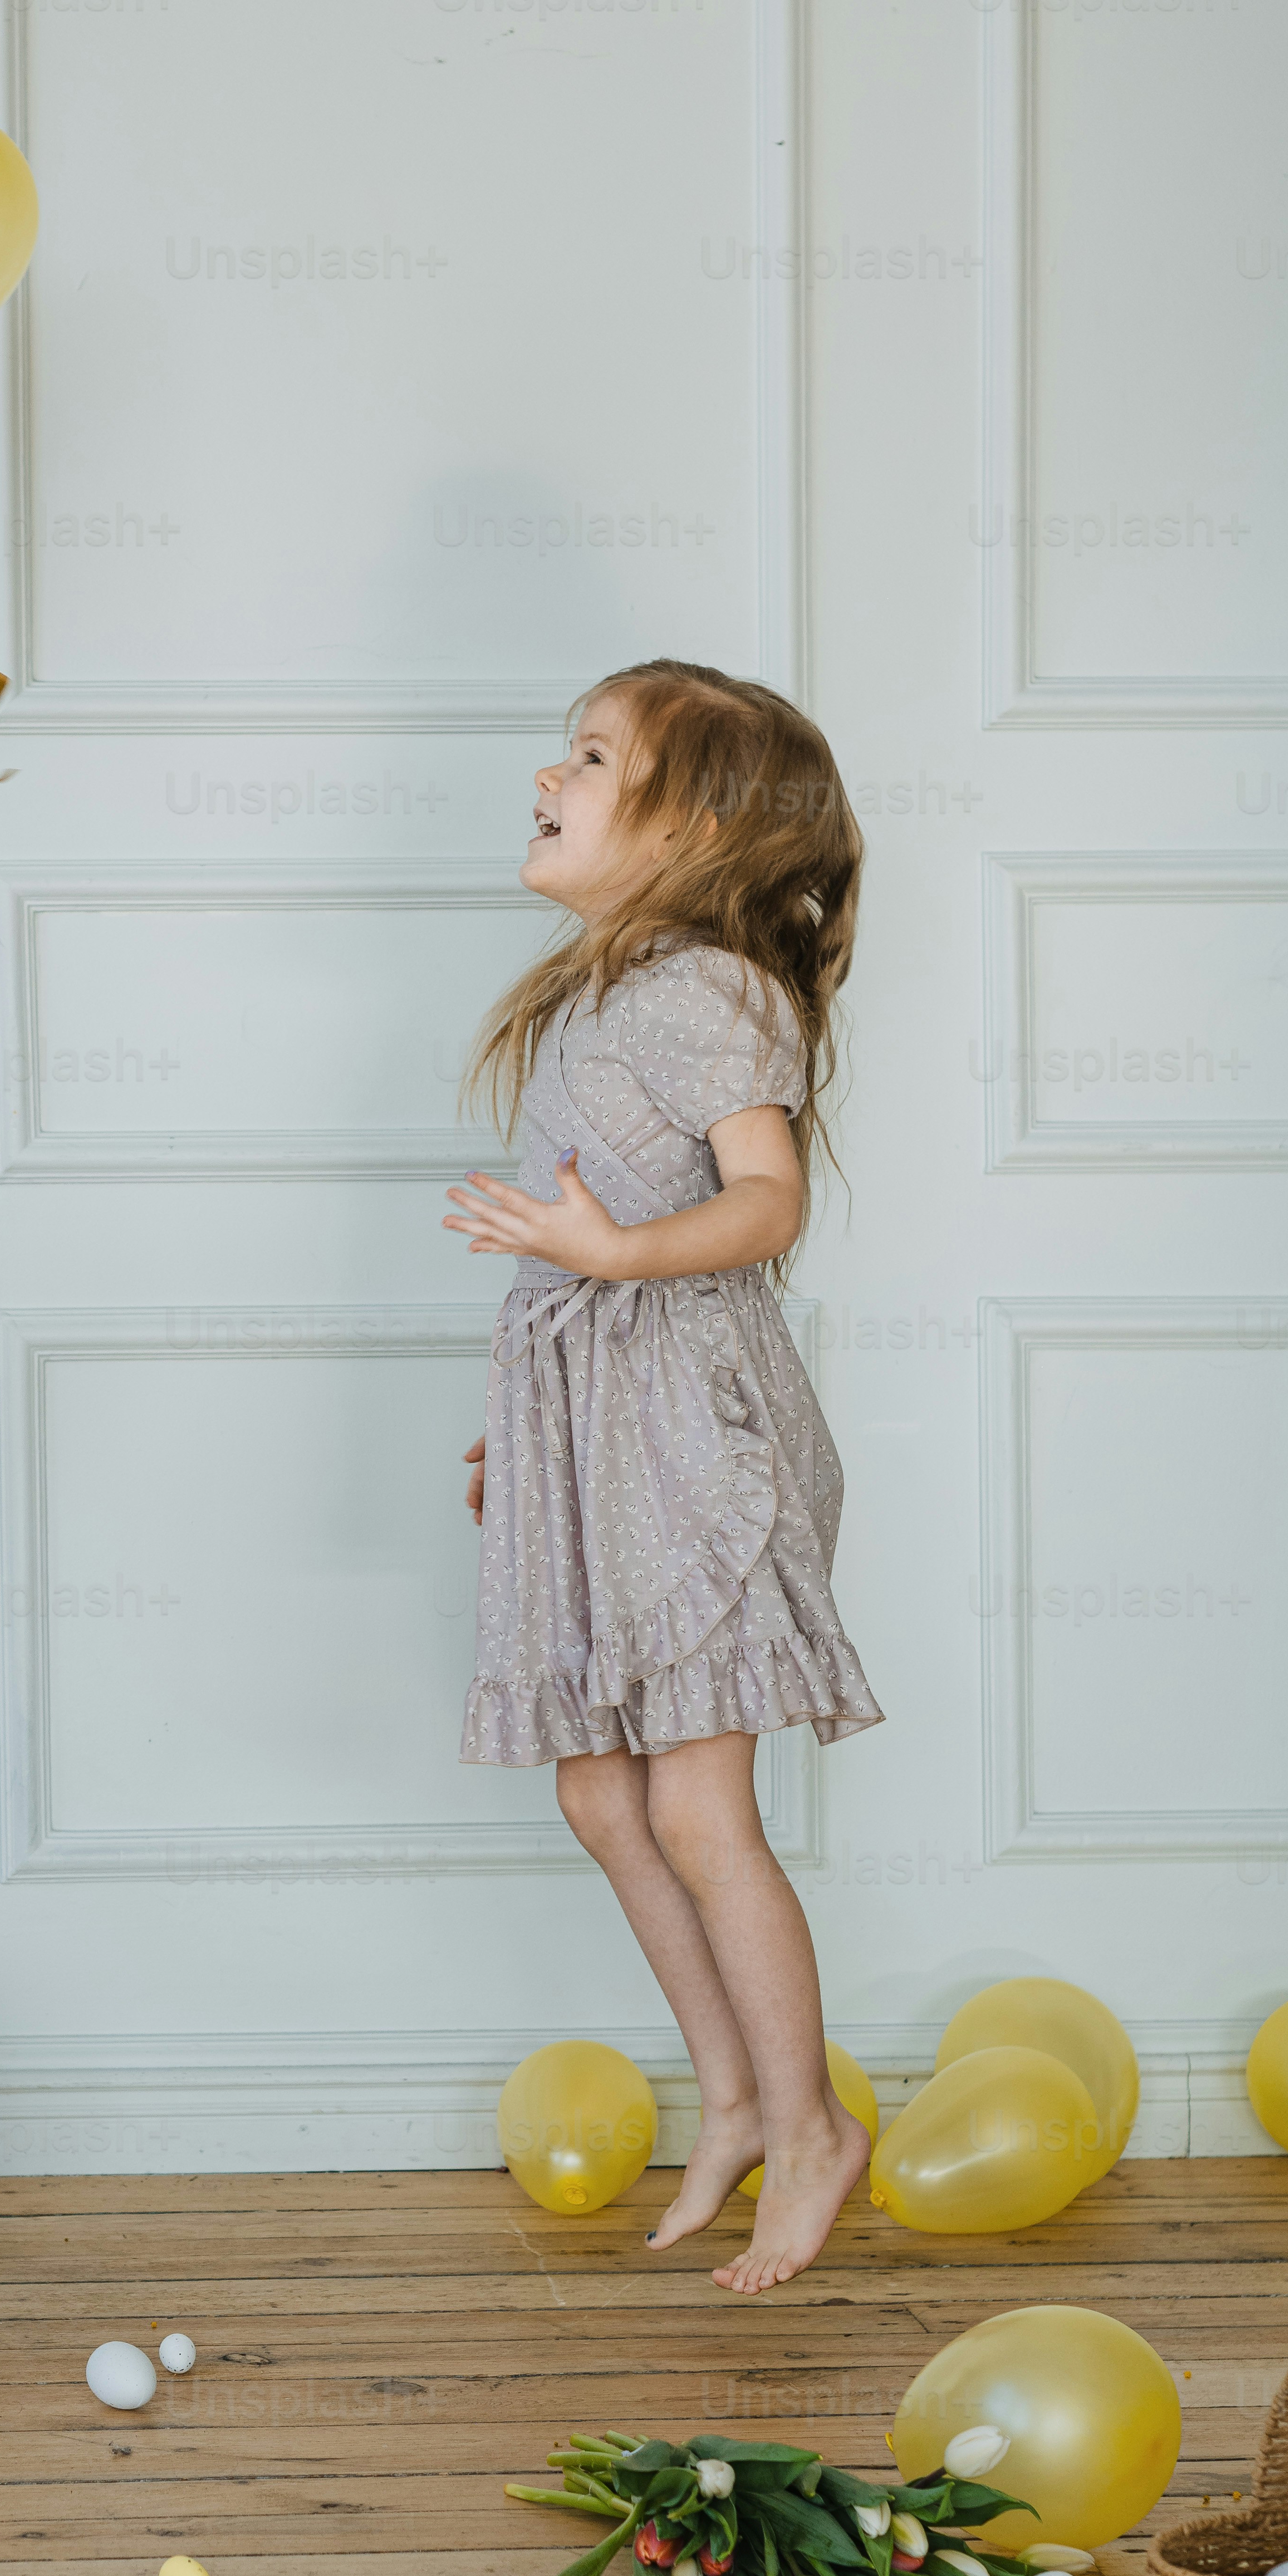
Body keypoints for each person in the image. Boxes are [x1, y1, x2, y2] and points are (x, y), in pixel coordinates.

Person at [447, 662, 882, 2294]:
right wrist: (542, 1439)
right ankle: (741, 2099)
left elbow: (765, 1204)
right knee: (599, 1788)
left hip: (699, 1449)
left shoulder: (705, 987)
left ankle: (817, 2121)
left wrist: (614, 1249)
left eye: (591, 756)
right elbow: (586, 1280)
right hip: (613, 1440)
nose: (547, 773)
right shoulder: (615, 988)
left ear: (693, 827)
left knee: (697, 1798)